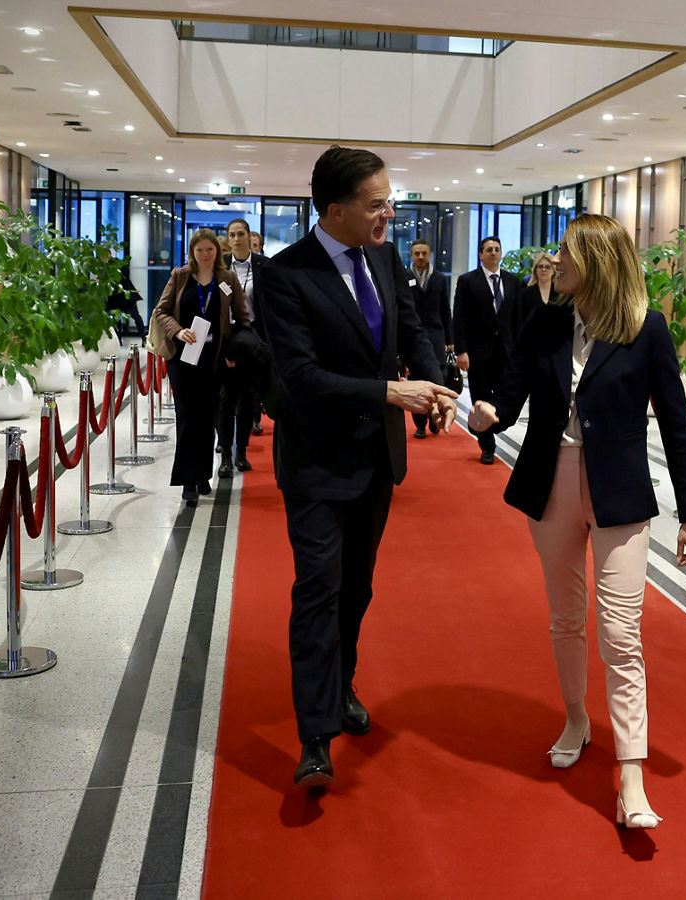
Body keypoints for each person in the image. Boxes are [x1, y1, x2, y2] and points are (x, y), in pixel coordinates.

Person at [468, 213, 686, 830]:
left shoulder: (646, 330)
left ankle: (631, 773)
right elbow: (512, 392)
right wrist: (487, 411)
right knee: (567, 619)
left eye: (568, 252)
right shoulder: (545, 322)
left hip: (619, 494)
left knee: (622, 633)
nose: (556, 260)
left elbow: (677, 428)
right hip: (552, 487)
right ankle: (576, 716)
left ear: (597, 261)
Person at [258, 146, 458, 790]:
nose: (389, 213)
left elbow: (411, 329)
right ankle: (315, 734)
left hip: (378, 462)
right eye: (376, 204)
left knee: (358, 587)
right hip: (316, 461)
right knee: (319, 588)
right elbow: (302, 378)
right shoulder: (285, 275)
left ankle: (340, 683)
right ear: (336, 209)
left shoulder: (383, 257)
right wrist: (389, 394)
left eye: (389, 200)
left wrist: (434, 384)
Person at [154, 228, 250, 506]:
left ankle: (202, 475)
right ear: (192, 253)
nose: (206, 254)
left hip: (213, 360)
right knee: (187, 417)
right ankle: (187, 481)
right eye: (200, 250)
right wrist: (178, 331)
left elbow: (243, 318)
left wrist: (235, 351)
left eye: (210, 250)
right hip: (182, 359)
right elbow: (160, 311)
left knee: (207, 418)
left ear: (217, 252)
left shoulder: (227, 279)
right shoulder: (180, 276)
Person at [452, 236, 525, 464]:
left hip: (507, 352)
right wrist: (461, 351)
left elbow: (519, 318)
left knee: (505, 395)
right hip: (478, 353)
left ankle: (495, 425)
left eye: (497, 249)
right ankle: (487, 445)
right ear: (481, 254)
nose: (494, 253)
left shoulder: (514, 282)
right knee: (480, 397)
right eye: (489, 250)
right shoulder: (468, 281)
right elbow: (459, 318)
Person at [218, 217, 268, 476]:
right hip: (226, 339)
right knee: (227, 399)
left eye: (241, 234)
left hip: (253, 338)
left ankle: (241, 452)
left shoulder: (264, 266)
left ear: (250, 236)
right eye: (232, 234)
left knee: (248, 398)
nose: (236, 239)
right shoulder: (220, 266)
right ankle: (225, 454)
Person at [408, 238, 452, 439]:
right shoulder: (404, 277)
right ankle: (420, 423)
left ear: (430, 254)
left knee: (438, 380)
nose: (420, 257)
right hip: (411, 337)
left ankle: (437, 419)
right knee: (416, 381)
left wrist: (450, 340)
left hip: (436, 337)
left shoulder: (440, 279)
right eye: (416, 253)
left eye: (424, 253)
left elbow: (445, 310)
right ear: (411, 255)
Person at [105, 260, 147, 339]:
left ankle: (144, 337)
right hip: (116, 297)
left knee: (135, 316)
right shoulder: (105, 267)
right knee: (117, 319)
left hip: (126, 296)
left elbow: (123, 277)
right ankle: (118, 339)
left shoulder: (116, 263)